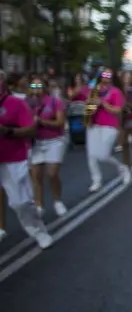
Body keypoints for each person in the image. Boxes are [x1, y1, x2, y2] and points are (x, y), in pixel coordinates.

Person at [0, 71, 53, 249]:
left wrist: (7, 131)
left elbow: (30, 130)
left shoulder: (15, 103)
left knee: (20, 202)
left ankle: (39, 231)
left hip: (13, 158)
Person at [28, 75, 68, 217]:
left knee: (52, 173)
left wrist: (42, 122)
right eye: (33, 86)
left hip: (54, 140)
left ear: (44, 87)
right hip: (36, 142)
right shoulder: (27, 103)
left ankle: (57, 201)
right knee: (36, 176)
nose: (36, 89)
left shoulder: (54, 102)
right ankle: (39, 205)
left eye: (39, 86)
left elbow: (60, 122)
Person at [86, 69, 131, 192]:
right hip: (94, 125)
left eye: (108, 75)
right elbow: (89, 108)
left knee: (103, 154)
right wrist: (91, 112)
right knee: (91, 155)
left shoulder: (116, 92)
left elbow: (118, 110)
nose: (106, 77)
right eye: (104, 75)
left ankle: (122, 167)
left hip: (110, 125)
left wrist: (103, 104)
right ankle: (96, 180)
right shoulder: (94, 91)